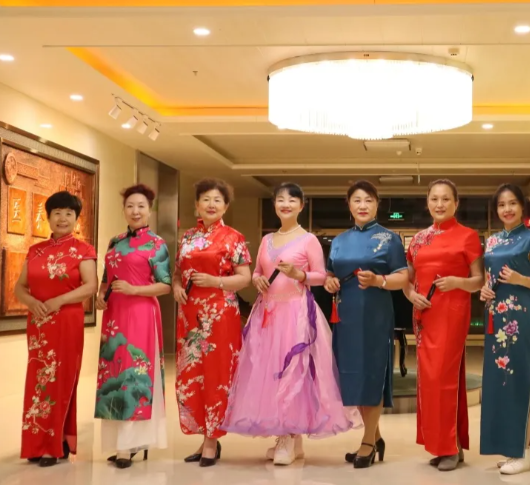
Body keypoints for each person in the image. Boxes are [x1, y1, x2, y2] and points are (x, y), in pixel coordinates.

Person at [222, 182, 360, 466]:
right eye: (280, 200)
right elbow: (257, 271)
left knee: (293, 374)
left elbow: (321, 276)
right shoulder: (267, 240)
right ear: (275, 205)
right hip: (268, 314)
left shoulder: (308, 240)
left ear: (301, 206)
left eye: (292, 200)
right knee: (270, 374)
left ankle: (289, 436)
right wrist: (258, 279)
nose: (285, 204)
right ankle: (288, 439)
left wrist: (300, 274)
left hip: (296, 313)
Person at [323, 180, 409, 468]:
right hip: (345, 316)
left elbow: (403, 278)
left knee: (371, 374)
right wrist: (330, 282)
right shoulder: (339, 240)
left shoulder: (389, 239)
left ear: (377, 205)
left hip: (374, 314)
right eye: (357, 200)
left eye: (368, 200)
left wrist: (378, 280)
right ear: (348, 205)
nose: (362, 205)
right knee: (353, 375)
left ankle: (368, 442)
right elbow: (330, 274)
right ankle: (376, 436)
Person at [403, 179, 483, 472]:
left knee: (443, 377)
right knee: (429, 380)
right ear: (427, 202)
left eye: (446, 199)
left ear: (456, 203)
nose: (440, 204)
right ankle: (445, 445)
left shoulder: (468, 236)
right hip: (424, 316)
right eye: (434, 199)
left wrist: (457, 282)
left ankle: (449, 446)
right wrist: (411, 295)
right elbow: (407, 279)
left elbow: (479, 280)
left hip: (452, 314)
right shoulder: (417, 239)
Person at [14, 191, 98, 467]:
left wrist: (57, 301)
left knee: (61, 380)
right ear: (48, 217)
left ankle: (54, 444)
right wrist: (32, 303)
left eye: (69, 214)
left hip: (66, 321)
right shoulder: (35, 251)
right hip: (38, 324)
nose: (63, 218)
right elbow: (20, 287)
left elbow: (90, 286)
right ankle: (38, 443)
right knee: (38, 382)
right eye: (57, 213)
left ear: (76, 218)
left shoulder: (84, 250)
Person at [172, 178, 252, 467]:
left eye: (217, 200)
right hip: (189, 313)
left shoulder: (234, 237)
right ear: (196, 204)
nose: (211, 204)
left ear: (226, 206)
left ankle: (211, 440)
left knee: (216, 376)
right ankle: (204, 435)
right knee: (190, 374)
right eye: (205, 199)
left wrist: (215, 281)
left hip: (220, 313)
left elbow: (244, 278)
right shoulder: (187, 237)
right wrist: (176, 287)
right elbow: (178, 272)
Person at [94, 184, 172, 469]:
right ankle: (121, 442)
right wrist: (101, 296)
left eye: (140, 206)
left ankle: (130, 445)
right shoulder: (114, 241)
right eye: (130, 206)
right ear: (124, 210)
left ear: (149, 210)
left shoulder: (157, 244)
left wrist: (134, 289)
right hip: (114, 315)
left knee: (134, 374)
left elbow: (165, 285)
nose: (135, 211)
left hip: (141, 313)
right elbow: (107, 278)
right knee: (112, 373)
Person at [479, 184, 530, 475]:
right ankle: (519, 449)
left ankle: (523, 450)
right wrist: (484, 290)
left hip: (520, 319)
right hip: (495, 318)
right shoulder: (492, 241)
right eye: (501, 205)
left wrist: (521, 279)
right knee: (501, 382)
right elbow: (489, 276)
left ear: (522, 207)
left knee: (521, 381)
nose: (507, 209)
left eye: (512, 204)